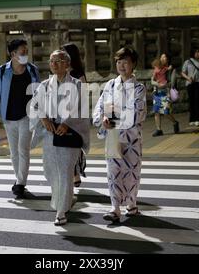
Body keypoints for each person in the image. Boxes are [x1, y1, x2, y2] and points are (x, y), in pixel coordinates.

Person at [29, 50, 90, 226]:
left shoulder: (77, 85)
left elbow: (82, 110)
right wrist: (43, 118)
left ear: (67, 64)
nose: (54, 64)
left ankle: (61, 211)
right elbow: (34, 105)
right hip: (50, 135)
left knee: (64, 173)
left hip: (68, 135)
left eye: (58, 60)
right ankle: (63, 202)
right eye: (51, 61)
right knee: (51, 172)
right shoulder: (44, 85)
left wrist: (68, 123)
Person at [93, 46, 147, 223]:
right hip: (113, 135)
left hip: (132, 137)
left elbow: (137, 112)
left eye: (125, 62)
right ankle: (115, 208)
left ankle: (131, 204)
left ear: (133, 65)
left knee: (132, 171)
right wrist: (102, 119)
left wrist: (112, 118)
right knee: (113, 171)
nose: (121, 65)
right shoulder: (110, 85)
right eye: (118, 62)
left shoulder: (139, 88)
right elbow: (101, 107)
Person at [0, 39, 40, 199]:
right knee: (14, 152)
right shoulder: (2, 71)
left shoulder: (32, 70)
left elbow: (39, 94)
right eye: (22, 52)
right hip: (8, 117)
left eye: (27, 51)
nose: (26, 54)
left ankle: (20, 183)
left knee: (23, 150)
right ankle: (19, 181)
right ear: (13, 54)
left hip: (27, 116)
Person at [61, 43, 87, 188]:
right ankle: (72, 174)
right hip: (62, 114)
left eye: (65, 53)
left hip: (76, 115)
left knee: (75, 146)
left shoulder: (78, 74)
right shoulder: (61, 72)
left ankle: (75, 174)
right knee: (65, 146)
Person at [151, 53, 180, 136]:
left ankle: (175, 122)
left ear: (168, 60)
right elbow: (152, 80)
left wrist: (166, 85)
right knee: (156, 111)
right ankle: (159, 129)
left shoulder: (170, 70)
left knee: (166, 112)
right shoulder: (156, 68)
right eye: (162, 57)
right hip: (157, 92)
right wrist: (157, 84)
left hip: (166, 92)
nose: (163, 59)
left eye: (165, 57)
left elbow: (173, 83)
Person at [181, 47, 199, 126]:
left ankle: (197, 119)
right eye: (196, 52)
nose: (197, 54)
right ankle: (191, 119)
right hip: (190, 83)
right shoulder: (188, 62)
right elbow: (183, 72)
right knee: (191, 101)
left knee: (197, 101)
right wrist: (188, 78)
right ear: (192, 53)